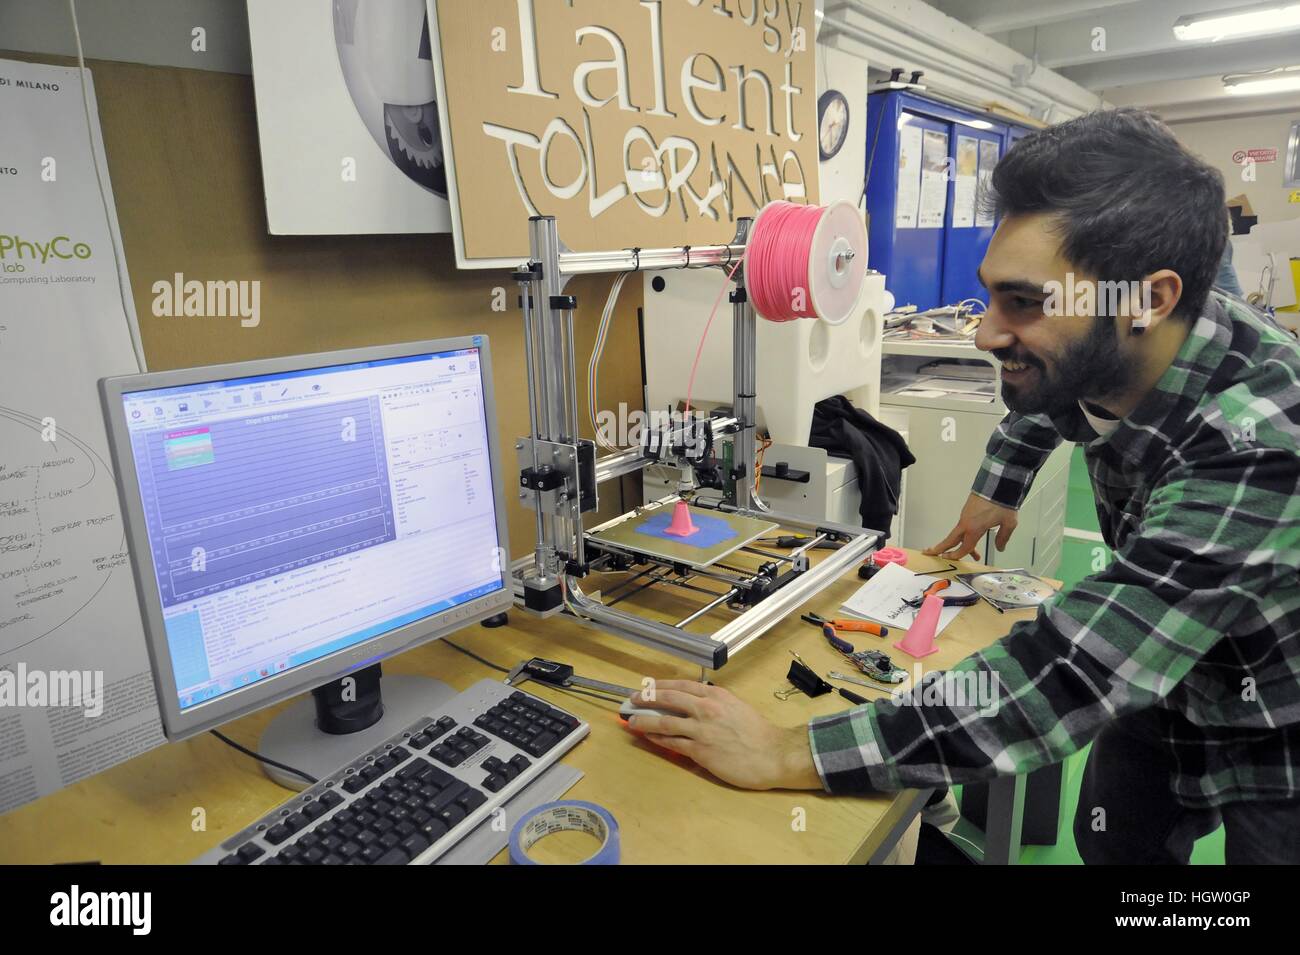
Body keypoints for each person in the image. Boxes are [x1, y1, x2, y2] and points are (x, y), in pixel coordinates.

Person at [624, 108, 1300, 864]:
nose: (982, 333)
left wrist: (791, 752)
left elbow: (1068, 673)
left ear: (1150, 298)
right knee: (1116, 842)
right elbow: (1066, 377)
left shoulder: (1262, 446)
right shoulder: (1139, 326)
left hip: (1274, 701)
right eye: (991, 295)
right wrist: (1001, 484)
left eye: (1025, 302)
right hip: (1161, 673)